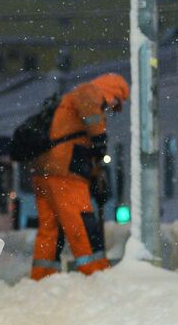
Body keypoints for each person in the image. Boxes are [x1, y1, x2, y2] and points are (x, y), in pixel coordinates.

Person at [29, 73, 129, 280]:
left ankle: (42, 276)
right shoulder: (89, 91)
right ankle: (97, 274)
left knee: (50, 230)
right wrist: (100, 139)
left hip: (44, 172)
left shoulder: (69, 104)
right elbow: (91, 114)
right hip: (65, 174)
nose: (111, 109)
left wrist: (94, 174)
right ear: (113, 92)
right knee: (83, 224)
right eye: (116, 103)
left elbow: (75, 140)